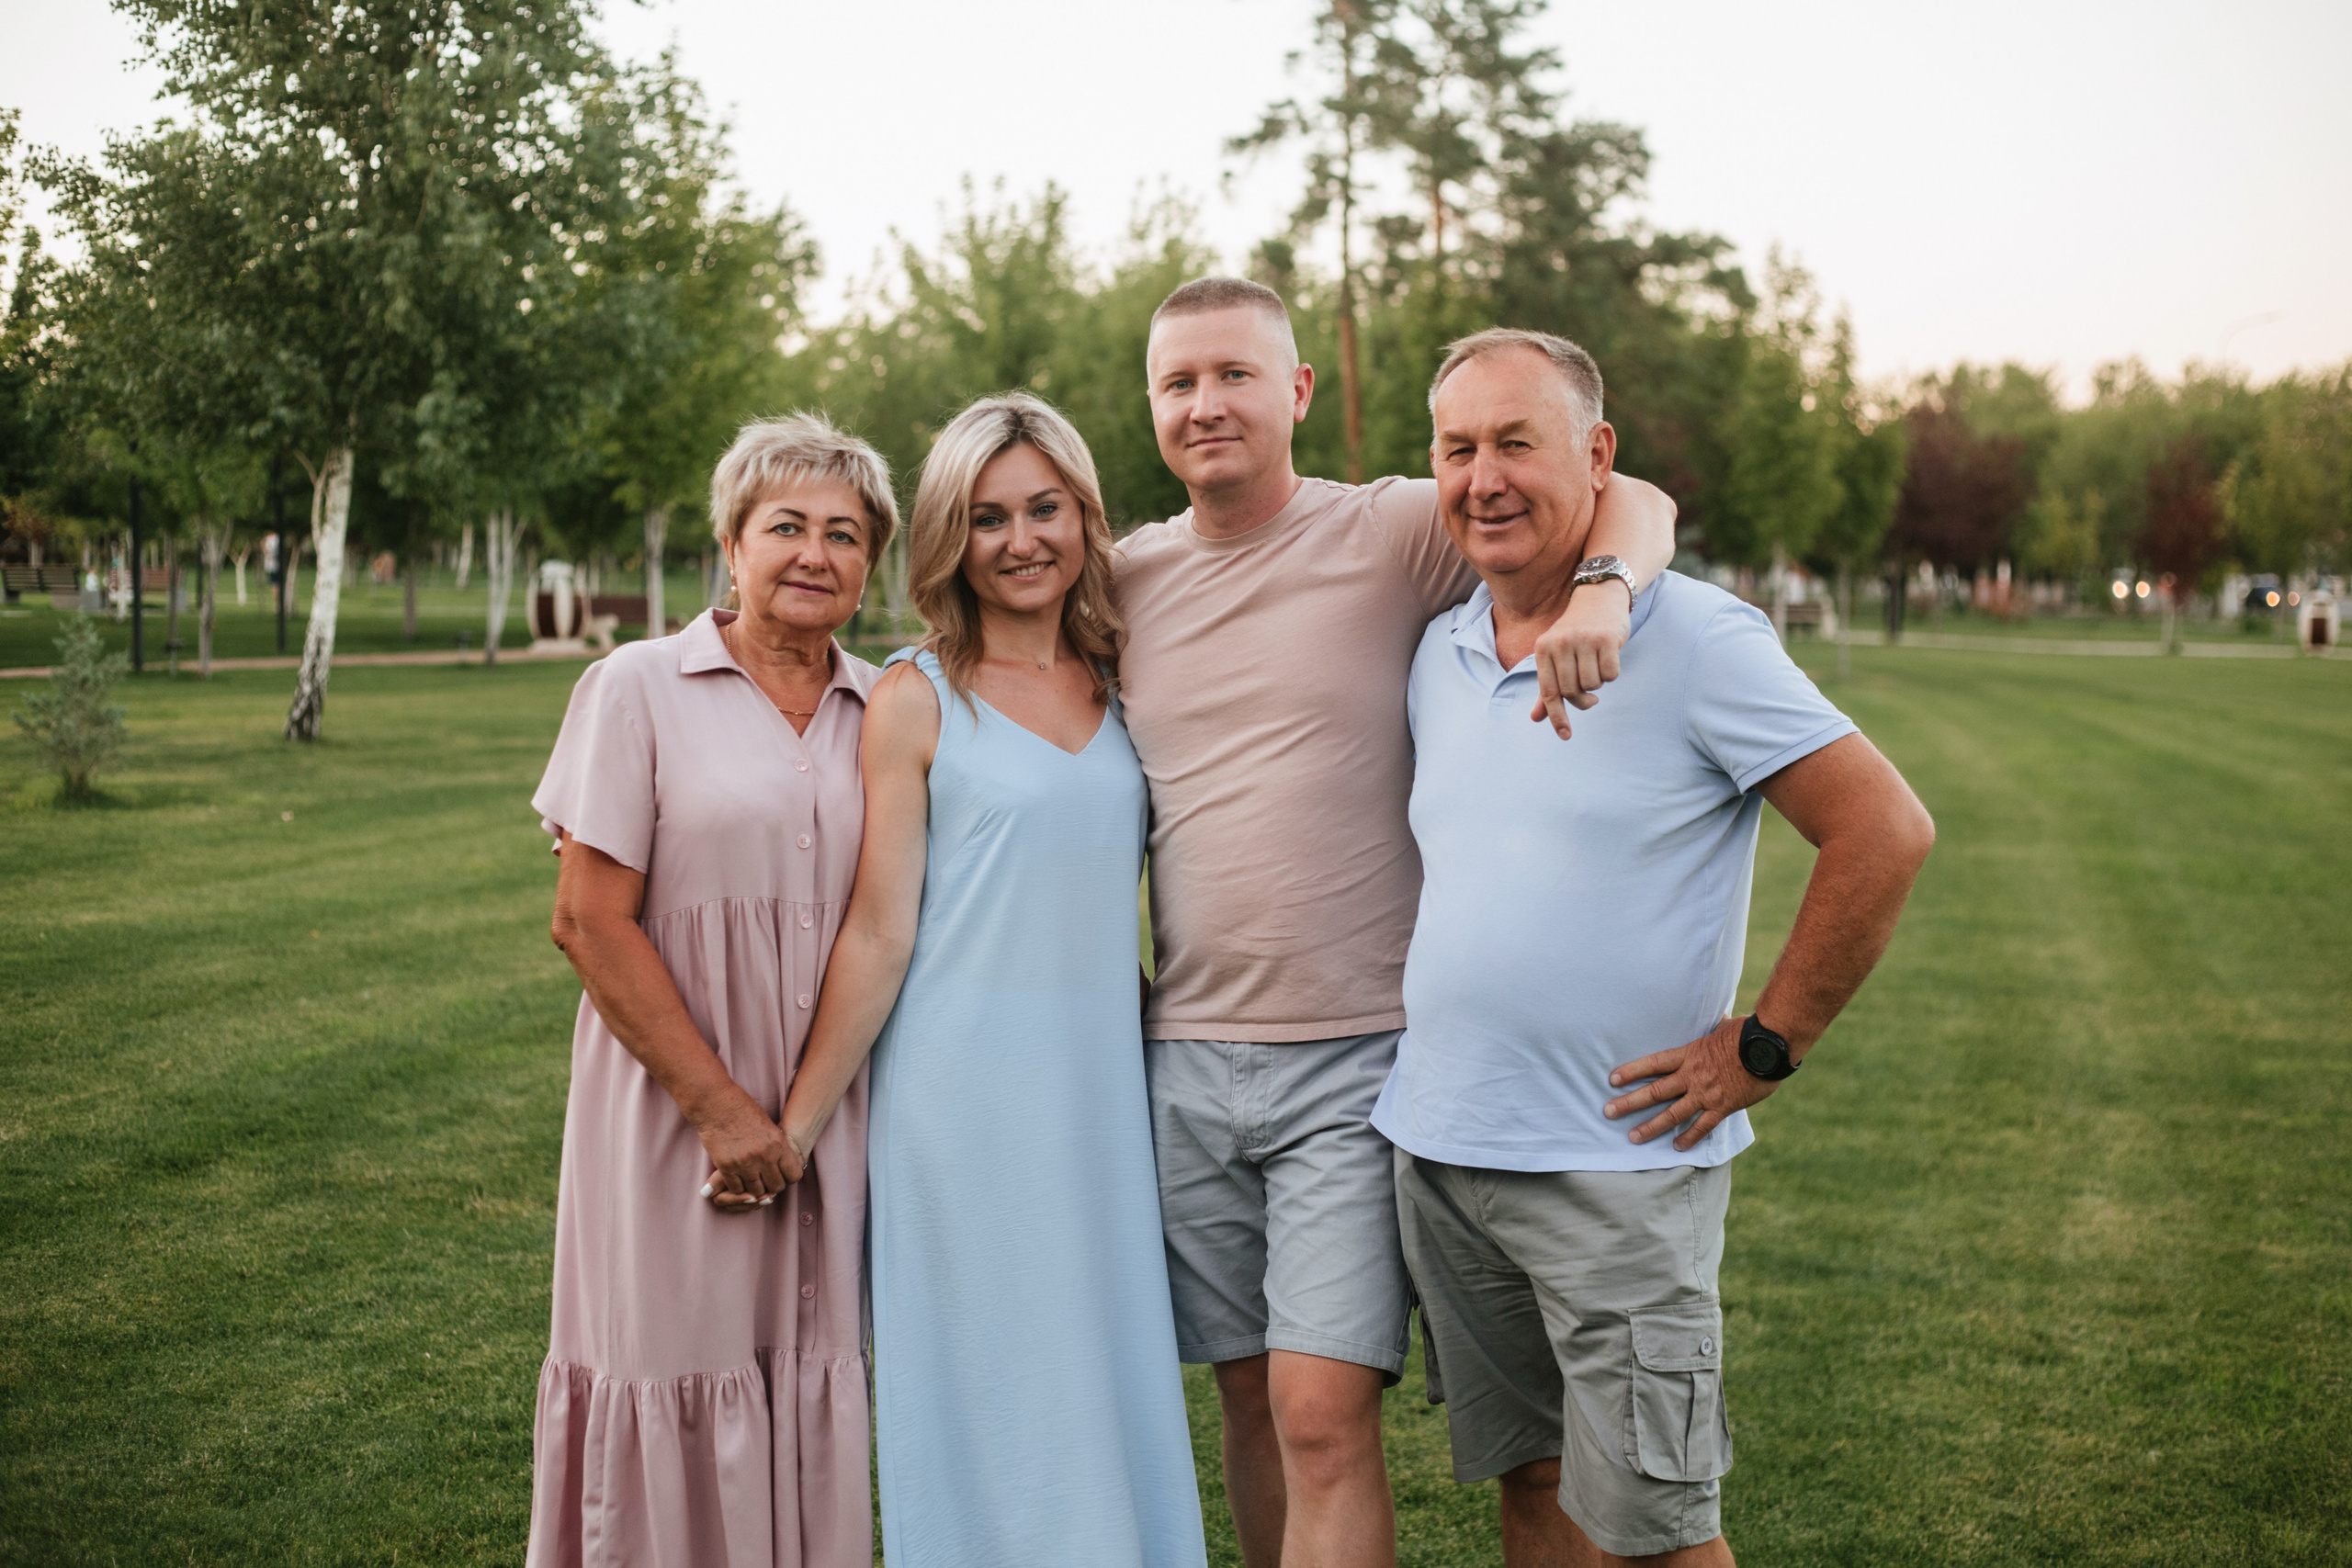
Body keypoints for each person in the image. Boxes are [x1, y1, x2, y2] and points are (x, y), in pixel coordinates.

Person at [1113, 277, 1679, 1568]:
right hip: (1181, 1060)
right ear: (1151, 405)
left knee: (1323, 1412)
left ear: (1297, 389)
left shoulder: (1389, 530)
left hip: (1355, 1055)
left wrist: (1603, 592)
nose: (1206, 404)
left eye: (1235, 374)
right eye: (1178, 382)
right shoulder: (1126, 578)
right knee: (1251, 1406)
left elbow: (1630, 496)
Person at [1373, 329, 1936, 1565]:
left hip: (1617, 1167)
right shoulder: (1438, 646)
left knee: (1661, 1533)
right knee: (1534, 1481)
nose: (1483, 478)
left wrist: (1765, 1045)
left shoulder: (1696, 637)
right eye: (1457, 449)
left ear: (1597, 456)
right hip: (1446, 1148)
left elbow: (1884, 830)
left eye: (1517, 443)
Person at [778, 394, 1207, 1568]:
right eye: (987, 518)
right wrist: (799, 1126)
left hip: (1101, 1096)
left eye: (1043, 509)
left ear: (1084, 517)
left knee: (1102, 1368)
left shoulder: (1121, 679)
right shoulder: (915, 695)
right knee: (984, 1387)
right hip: (958, 1102)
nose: (1021, 541)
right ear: (948, 539)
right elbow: (879, 931)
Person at [526, 414, 896, 1568]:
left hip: (829, 1122)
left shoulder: (888, 707)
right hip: (673, 1116)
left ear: (872, 564)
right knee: (670, 1368)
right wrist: (719, 1110)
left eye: (845, 534)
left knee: (808, 1369)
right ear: (731, 544)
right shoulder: (636, 686)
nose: (814, 554)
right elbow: (588, 920)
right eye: (786, 526)